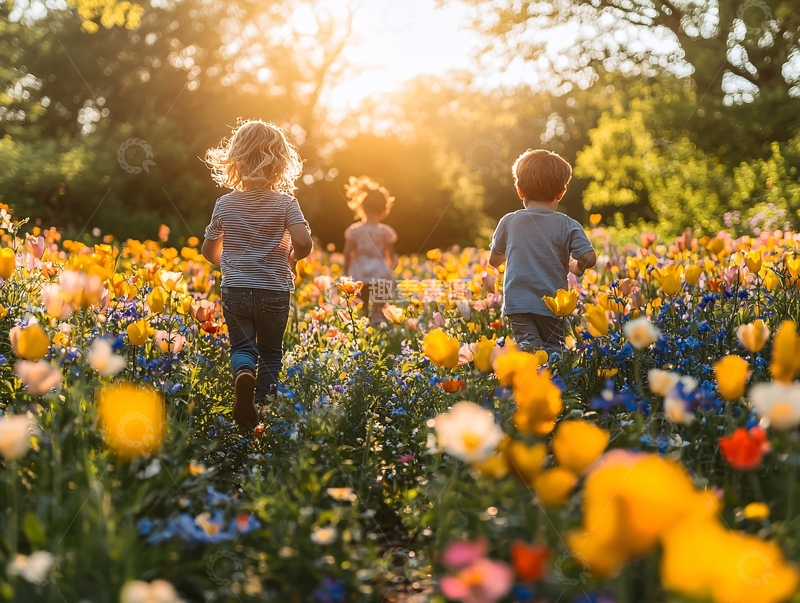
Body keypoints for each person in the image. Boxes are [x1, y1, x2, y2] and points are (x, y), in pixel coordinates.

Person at [201, 119, 312, 427]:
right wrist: (292, 258)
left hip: (235, 290)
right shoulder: (287, 203)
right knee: (272, 354)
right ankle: (262, 408)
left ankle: (244, 377)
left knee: (242, 348)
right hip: (275, 291)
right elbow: (303, 242)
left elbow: (209, 251)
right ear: (280, 163)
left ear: (234, 159)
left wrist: (230, 265)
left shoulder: (224, 204)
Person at [489, 149, 596, 354]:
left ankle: (528, 379)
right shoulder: (567, 224)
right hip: (553, 305)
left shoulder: (509, 221)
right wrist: (576, 266)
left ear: (520, 190)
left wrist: (513, 251)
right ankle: (555, 382)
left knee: (529, 349)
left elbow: (494, 261)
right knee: (555, 351)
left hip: (518, 304)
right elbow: (588, 257)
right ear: (561, 192)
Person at [342, 176, 398, 324]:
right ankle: (379, 329)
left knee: (361, 308)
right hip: (380, 272)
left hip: (359, 272)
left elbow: (348, 253)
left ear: (362, 207)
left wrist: (345, 273)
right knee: (378, 310)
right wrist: (391, 270)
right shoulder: (386, 232)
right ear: (384, 209)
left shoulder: (355, 231)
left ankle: (363, 333)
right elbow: (391, 257)